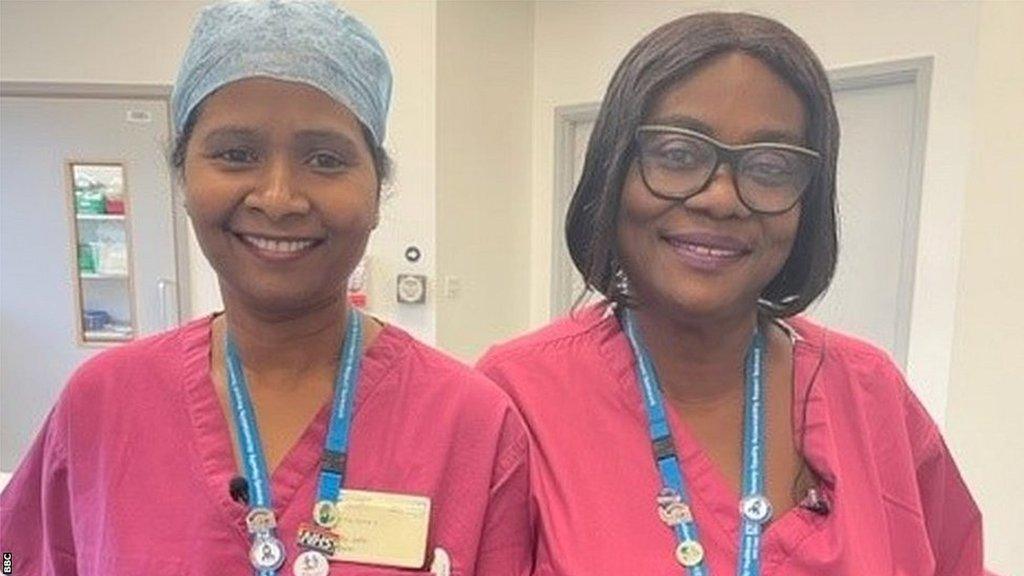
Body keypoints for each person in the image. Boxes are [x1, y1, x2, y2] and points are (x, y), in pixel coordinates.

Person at [0, 2, 531, 575]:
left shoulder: (471, 426)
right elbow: (13, 556)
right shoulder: (101, 405)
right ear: (184, 176)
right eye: (236, 154)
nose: (278, 197)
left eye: (325, 159)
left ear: (377, 192)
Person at [478, 12, 985, 576]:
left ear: (807, 201)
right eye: (676, 154)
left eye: (770, 166)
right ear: (612, 170)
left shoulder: (870, 395)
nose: (721, 199)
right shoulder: (516, 397)